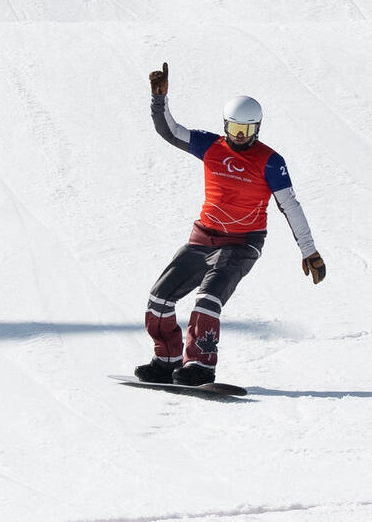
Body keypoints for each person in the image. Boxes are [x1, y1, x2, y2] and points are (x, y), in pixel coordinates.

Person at [135, 62, 326, 386]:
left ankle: (199, 366)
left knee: (208, 300)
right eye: (235, 130)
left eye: (248, 131)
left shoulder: (270, 161)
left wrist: (309, 251)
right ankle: (167, 360)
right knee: (159, 299)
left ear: (258, 129)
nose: (241, 138)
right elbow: (170, 130)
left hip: (242, 243)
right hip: (202, 238)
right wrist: (159, 101)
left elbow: (290, 205)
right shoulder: (210, 146)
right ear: (226, 126)